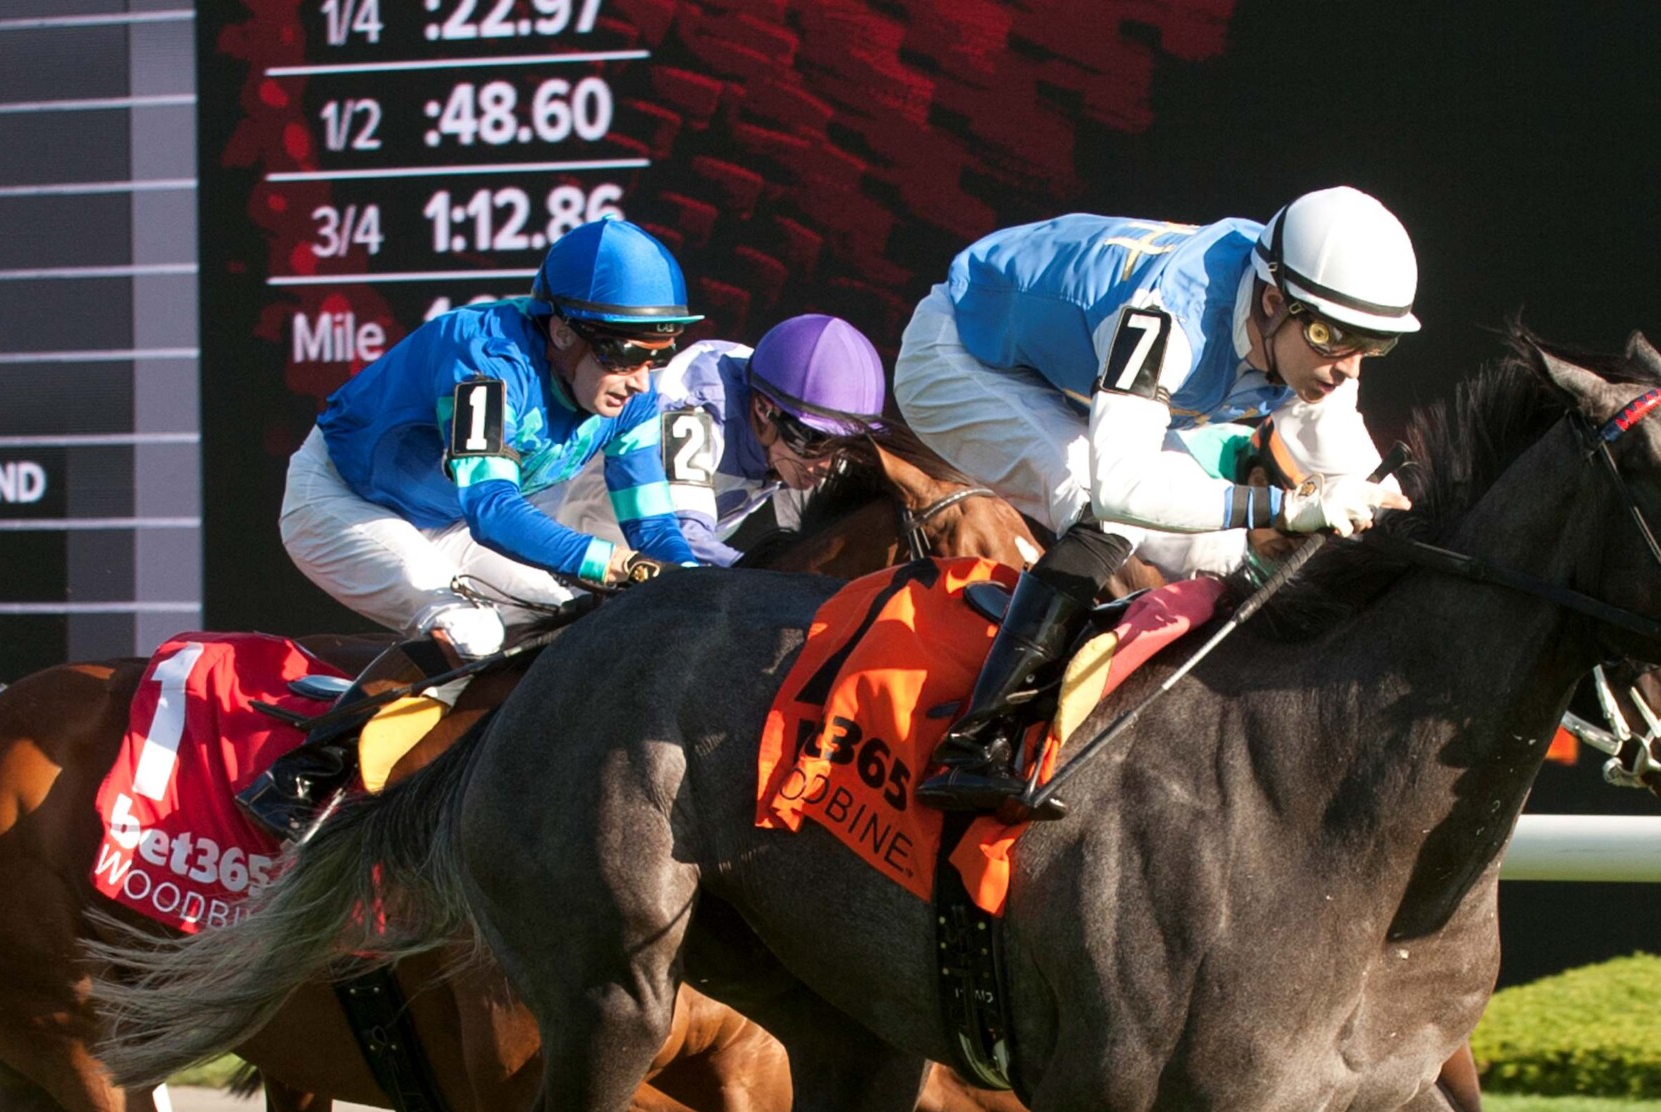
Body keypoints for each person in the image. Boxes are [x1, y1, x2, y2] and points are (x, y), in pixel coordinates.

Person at [898, 188, 1422, 814]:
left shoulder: (1304, 326)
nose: (1349, 371)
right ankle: (971, 749)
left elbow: (1368, 492)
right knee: (1104, 510)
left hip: (1069, 374)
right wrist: (1282, 509)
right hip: (959, 353)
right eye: (1331, 339)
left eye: (1373, 346)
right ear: (1274, 301)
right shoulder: (1168, 314)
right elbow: (1123, 488)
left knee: (1219, 548)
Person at [275, 217, 705, 663]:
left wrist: (695, 582)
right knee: (472, 632)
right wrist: (619, 564)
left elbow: (652, 527)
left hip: (451, 520)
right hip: (343, 501)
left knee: (572, 624)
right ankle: (339, 733)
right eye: (626, 354)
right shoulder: (487, 360)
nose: (639, 380)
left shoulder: (632, 396)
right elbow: (493, 511)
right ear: (562, 331)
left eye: (658, 355)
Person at [543, 312, 888, 565]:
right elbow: (681, 540)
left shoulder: (787, 412)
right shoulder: (696, 407)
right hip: (562, 547)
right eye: (815, 441)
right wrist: (779, 578)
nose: (826, 465)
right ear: (764, 410)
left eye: (842, 446)